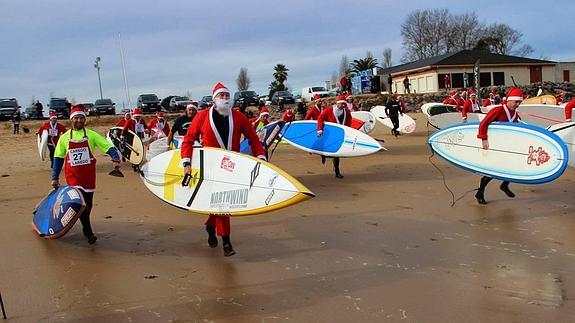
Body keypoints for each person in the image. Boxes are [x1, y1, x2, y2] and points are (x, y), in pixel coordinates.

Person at [181, 82, 266, 257]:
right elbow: (188, 139)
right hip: (211, 168)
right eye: (222, 96)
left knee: (221, 203)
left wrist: (261, 157)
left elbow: (253, 138)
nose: (225, 99)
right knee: (222, 204)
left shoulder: (239, 116)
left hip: (232, 167)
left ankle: (210, 225)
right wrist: (186, 163)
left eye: (227, 96)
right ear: (214, 99)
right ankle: (226, 241)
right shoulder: (202, 117)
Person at [51, 105, 121, 244]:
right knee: (81, 203)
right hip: (73, 177)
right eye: (76, 118)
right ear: (71, 120)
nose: (79, 120)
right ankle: (88, 232)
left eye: (81, 118)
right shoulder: (64, 138)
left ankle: (82, 223)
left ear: (85, 120)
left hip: (88, 177)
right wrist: (54, 177)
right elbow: (58, 158)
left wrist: (115, 156)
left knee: (88, 205)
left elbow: (108, 147)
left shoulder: (92, 135)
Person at [475, 87, 524, 205]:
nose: (517, 104)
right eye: (515, 102)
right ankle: (480, 193)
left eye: (519, 102)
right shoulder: (498, 110)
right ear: (509, 100)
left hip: (508, 146)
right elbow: (484, 123)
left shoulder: (515, 114)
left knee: (513, 167)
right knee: (492, 170)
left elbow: (516, 128)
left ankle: (504, 185)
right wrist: (484, 139)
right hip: (495, 146)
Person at [317, 95, 352, 179]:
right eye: (342, 104)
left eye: (345, 104)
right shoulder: (329, 110)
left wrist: (349, 131)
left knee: (337, 154)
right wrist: (320, 129)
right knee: (334, 152)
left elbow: (349, 120)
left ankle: (337, 171)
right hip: (331, 134)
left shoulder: (346, 111)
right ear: (338, 104)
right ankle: (324, 155)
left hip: (340, 135)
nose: (344, 105)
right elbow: (320, 118)